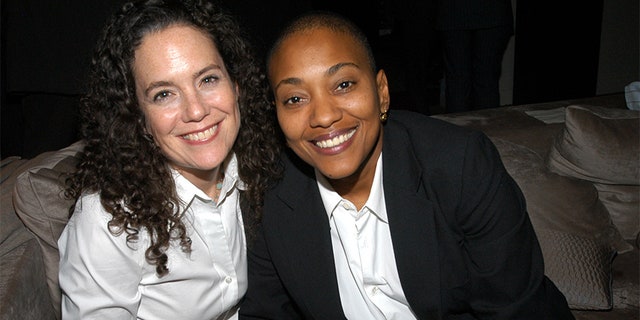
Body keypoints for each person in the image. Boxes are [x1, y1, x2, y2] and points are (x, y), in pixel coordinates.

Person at [239, 12, 574, 319]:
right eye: (295, 99)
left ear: (381, 92)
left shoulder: (461, 166)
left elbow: (515, 310)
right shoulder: (268, 196)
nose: (324, 115)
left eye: (343, 84)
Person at [58, 0, 281, 318]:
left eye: (208, 79)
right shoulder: (109, 217)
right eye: (164, 94)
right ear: (137, 117)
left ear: (236, 85)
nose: (197, 111)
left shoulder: (261, 165)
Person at [437, 0, 514, 112]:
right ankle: (487, 127)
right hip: (492, 13)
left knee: (458, 81)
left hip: (453, 12)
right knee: (486, 80)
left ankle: (460, 127)